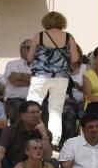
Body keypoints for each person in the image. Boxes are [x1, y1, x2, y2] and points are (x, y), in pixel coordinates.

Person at [25, 11, 79, 147]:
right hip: (61, 77)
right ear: (62, 22)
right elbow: (75, 58)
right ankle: (54, 141)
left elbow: (29, 58)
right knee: (56, 109)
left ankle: (30, 136)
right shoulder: (68, 37)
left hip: (40, 76)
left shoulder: (40, 36)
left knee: (32, 106)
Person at [0, 100, 51, 168]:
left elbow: (47, 156)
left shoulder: (43, 131)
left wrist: (44, 135)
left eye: (38, 112)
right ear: (22, 115)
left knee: (53, 162)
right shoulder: (10, 131)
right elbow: (1, 150)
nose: (36, 115)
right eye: (32, 112)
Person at [0, 40, 32, 125]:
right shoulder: (12, 64)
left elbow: (42, 80)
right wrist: (33, 80)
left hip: (35, 99)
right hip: (15, 100)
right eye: (29, 47)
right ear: (22, 49)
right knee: (19, 109)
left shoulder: (40, 65)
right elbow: (14, 81)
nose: (32, 50)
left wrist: (20, 76)